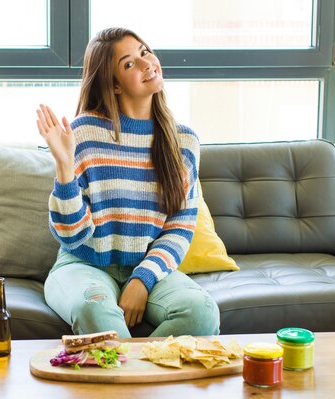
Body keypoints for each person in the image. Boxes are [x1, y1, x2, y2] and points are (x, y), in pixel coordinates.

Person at [36, 27, 220, 338]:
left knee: (201, 312)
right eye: (129, 64)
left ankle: (131, 380)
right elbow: (72, 237)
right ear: (115, 85)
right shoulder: (83, 134)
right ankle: (135, 381)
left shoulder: (184, 141)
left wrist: (142, 279)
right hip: (83, 266)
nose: (147, 63)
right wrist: (64, 166)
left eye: (144, 52)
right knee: (92, 309)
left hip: (150, 267)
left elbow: (180, 227)